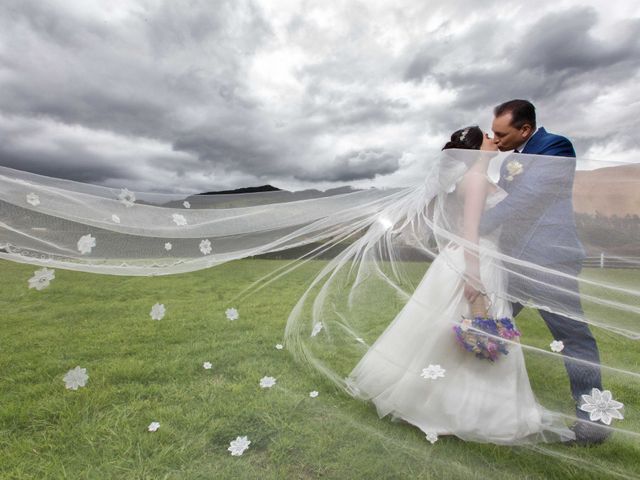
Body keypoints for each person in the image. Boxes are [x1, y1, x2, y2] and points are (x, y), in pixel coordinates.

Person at [344, 125, 575, 445]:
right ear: (476, 150)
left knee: (449, 335)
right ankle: (466, 412)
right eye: (488, 138)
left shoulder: (472, 181)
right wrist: (474, 279)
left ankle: (442, 401)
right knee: (473, 329)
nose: (494, 141)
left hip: (468, 259)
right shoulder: (477, 182)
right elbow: (470, 231)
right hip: (476, 260)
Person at [478, 99, 606, 445]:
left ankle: (593, 422)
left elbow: (526, 199)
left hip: (549, 262)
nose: (496, 139)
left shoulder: (556, 147)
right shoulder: (510, 161)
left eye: (503, 134)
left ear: (525, 129)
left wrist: (478, 226)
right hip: (513, 261)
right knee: (487, 328)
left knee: (574, 338)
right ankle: (473, 403)